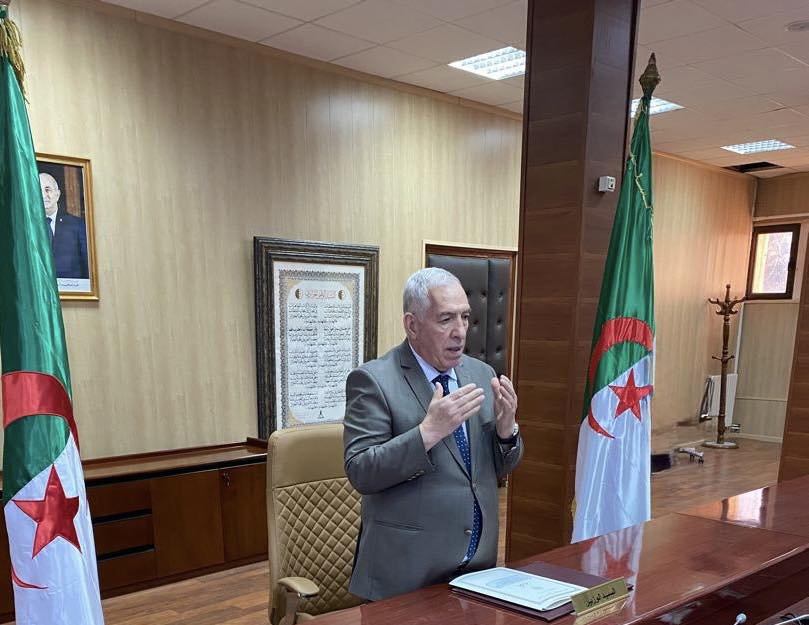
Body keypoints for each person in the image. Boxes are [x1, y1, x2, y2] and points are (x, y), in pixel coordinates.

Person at [343, 267, 523, 601]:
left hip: (476, 570)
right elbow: (361, 471)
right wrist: (427, 433)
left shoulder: (480, 373)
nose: (460, 332)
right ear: (412, 325)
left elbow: (495, 469)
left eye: (465, 317)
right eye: (446, 319)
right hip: (406, 576)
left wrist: (506, 432)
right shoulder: (374, 380)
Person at [39, 172, 89, 279]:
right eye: (39, 191)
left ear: (57, 194)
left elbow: (87, 265)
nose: (44, 195)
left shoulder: (77, 225)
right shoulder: (27, 228)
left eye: (48, 189)